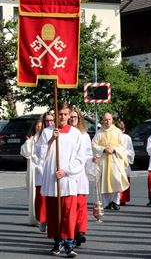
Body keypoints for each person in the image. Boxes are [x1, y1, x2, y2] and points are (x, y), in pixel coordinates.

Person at [37, 102, 85, 257]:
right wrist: (51, 139)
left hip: (68, 179)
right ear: (55, 114)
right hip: (52, 179)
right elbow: (40, 155)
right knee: (54, 213)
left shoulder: (75, 133)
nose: (63, 117)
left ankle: (69, 243)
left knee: (68, 213)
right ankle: (57, 242)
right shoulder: (47, 132)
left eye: (65, 114)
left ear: (69, 115)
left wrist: (66, 171)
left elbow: (80, 158)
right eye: (60, 114)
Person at [92, 112, 129, 211]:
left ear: (112, 120)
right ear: (102, 120)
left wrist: (114, 150)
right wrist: (104, 149)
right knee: (104, 182)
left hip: (115, 160)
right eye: (105, 119)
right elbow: (94, 145)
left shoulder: (117, 132)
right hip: (103, 161)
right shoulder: (99, 133)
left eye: (109, 119)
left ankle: (116, 202)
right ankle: (106, 203)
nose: (107, 121)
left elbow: (123, 145)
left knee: (116, 180)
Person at [69, 108, 92, 247]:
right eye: (71, 117)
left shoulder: (84, 135)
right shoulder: (64, 134)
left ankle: (81, 231)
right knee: (70, 207)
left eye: (75, 117)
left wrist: (92, 160)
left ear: (79, 119)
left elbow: (88, 154)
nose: (73, 119)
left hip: (80, 175)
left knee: (81, 205)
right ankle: (70, 233)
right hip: (68, 175)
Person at [20, 119, 43, 226]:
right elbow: (25, 153)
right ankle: (33, 218)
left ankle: (42, 217)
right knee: (32, 194)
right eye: (37, 126)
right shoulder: (31, 139)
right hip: (32, 168)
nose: (38, 128)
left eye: (40, 126)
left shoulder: (45, 138)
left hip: (42, 169)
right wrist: (29, 141)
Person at [115, 121, 135, 205]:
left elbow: (131, 151)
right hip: (115, 161)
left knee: (125, 180)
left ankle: (123, 198)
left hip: (124, 162)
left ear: (123, 130)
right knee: (116, 180)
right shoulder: (113, 137)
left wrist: (124, 152)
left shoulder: (127, 138)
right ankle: (116, 199)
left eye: (121, 130)